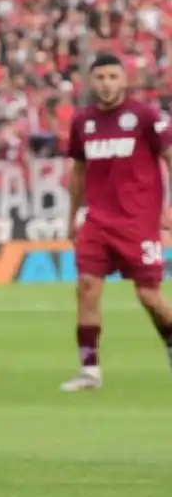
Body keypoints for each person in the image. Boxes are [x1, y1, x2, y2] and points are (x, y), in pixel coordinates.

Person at [63, 54, 172, 392]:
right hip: (98, 221)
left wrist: (167, 208)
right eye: (100, 77)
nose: (106, 83)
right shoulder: (83, 122)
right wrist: (73, 216)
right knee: (87, 287)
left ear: (124, 80)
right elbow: (79, 172)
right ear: (91, 82)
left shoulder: (146, 117)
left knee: (150, 297)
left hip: (138, 222)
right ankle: (89, 370)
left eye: (113, 76)